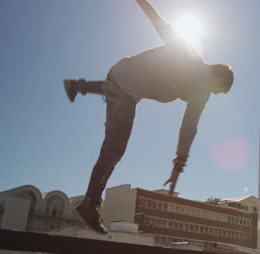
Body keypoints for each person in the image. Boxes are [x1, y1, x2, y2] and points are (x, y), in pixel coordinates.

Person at [63, 0, 234, 233]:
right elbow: (189, 126)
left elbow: (160, 24)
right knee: (114, 150)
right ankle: (89, 204)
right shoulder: (200, 86)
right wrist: (178, 165)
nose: (210, 95)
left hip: (118, 75)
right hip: (125, 92)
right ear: (216, 80)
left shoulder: (189, 53)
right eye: (216, 91)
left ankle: (78, 86)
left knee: (112, 131)